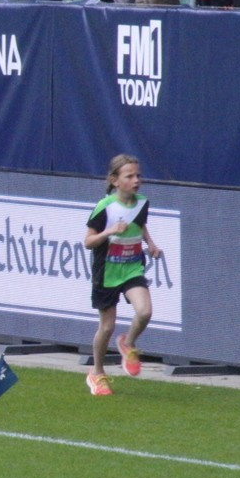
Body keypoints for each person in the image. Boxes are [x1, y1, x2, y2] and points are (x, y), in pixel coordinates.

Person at [83, 154, 161, 397]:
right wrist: (109, 231)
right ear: (115, 180)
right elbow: (88, 241)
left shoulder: (142, 202)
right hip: (107, 270)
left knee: (145, 311)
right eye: (130, 176)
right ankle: (97, 374)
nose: (136, 180)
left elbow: (140, 224)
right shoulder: (104, 207)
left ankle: (128, 343)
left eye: (138, 175)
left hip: (132, 267)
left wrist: (151, 243)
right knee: (107, 327)